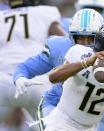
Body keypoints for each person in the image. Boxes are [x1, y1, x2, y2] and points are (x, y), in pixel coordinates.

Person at [0, 0, 65, 129]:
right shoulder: (45, 12)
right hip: (36, 82)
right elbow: (64, 44)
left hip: (3, 81)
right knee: (56, 127)